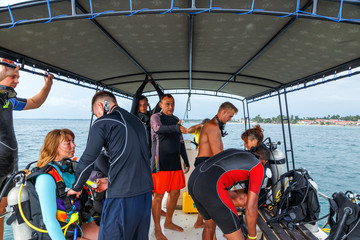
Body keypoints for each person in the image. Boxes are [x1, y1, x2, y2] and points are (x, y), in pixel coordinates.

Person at [68, 91, 153, 240]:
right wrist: (110, 180)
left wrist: (76, 187)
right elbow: (138, 157)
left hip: (122, 197)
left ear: (101, 105)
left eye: (97, 114)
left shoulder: (103, 122)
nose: (98, 117)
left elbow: (88, 160)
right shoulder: (137, 122)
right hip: (145, 195)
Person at [0, 57, 53, 239]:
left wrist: (48, 85)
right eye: (13, 76)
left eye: (18, 76)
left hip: (8, 167)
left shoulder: (9, 101)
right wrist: (6, 68)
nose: (17, 80)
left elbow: (35, 102)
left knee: (2, 210)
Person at [27, 129, 99, 240]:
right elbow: (49, 220)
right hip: (57, 232)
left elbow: (79, 203)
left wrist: (92, 222)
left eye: (73, 141)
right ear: (54, 147)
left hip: (75, 225)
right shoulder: (45, 178)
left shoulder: (69, 171)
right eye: (68, 143)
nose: (74, 145)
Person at [188, 145, 270, 240]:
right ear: (265, 161)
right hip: (211, 187)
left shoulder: (237, 152)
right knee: (236, 236)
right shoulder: (258, 166)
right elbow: (251, 207)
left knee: (209, 227)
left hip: (194, 180)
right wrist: (252, 236)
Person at [193, 102, 238, 235]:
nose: (230, 119)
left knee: (210, 218)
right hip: (206, 166)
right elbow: (218, 154)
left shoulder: (214, 125)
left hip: (205, 165)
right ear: (223, 112)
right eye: (230, 116)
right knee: (211, 220)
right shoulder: (213, 126)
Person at [150, 94, 190, 240]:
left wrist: (185, 159)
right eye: (167, 104)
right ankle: (157, 228)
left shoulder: (175, 120)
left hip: (175, 163)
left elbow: (180, 142)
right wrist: (177, 127)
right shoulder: (156, 117)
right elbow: (158, 129)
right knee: (158, 196)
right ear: (161, 104)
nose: (170, 107)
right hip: (160, 163)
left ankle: (168, 222)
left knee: (175, 194)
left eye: (172, 104)